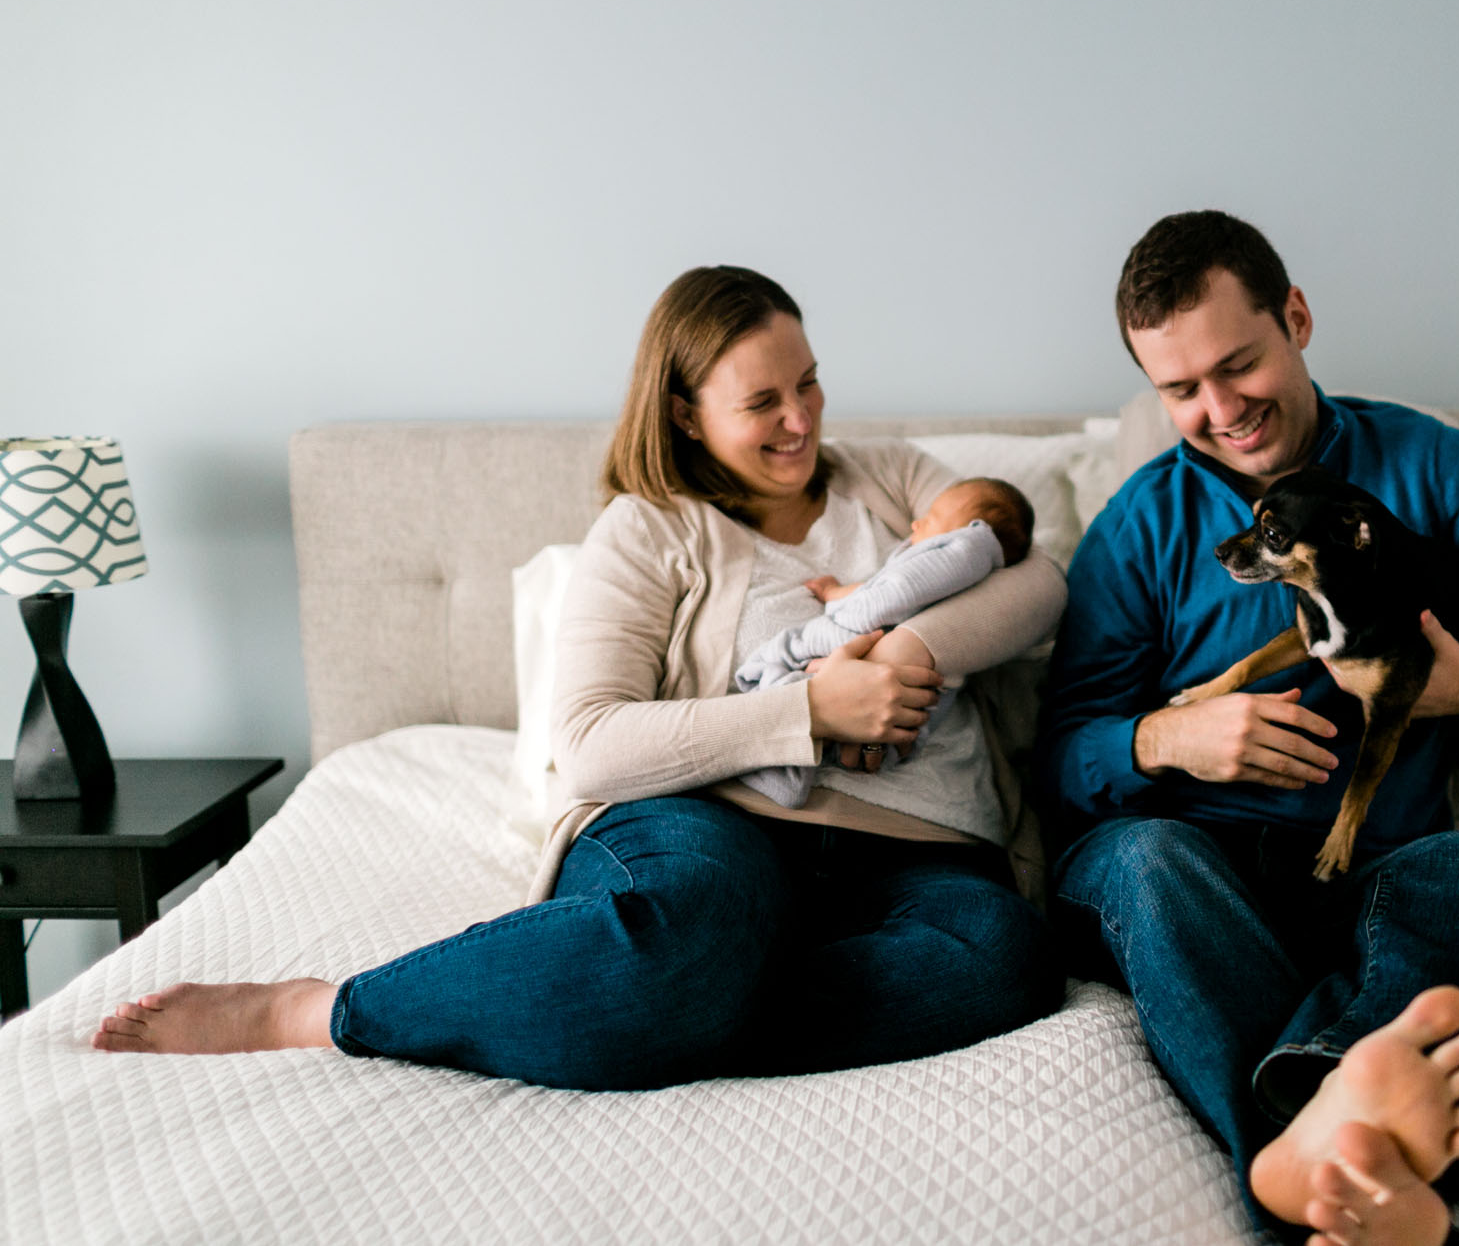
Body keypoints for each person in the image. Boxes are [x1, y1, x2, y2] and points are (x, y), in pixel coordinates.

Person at [93, 265, 1066, 1090]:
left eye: (808, 385)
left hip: (915, 854)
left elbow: (1037, 582)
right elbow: (589, 740)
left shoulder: (890, 478)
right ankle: (324, 1008)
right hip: (715, 827)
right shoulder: (650, 530)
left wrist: (908, 653)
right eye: (761, 402)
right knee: (685, 932)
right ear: (685, 413)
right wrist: (805, 711)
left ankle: (679, 1001)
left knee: (1004, 964)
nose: (800, 420)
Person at [1037, 211, 1459, 1244]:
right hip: (1196, 865)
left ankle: (1323, 1136)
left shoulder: (1433, 469)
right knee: (1141, 860)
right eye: (1178, 390)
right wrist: (1161, 740)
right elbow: (1062, 756)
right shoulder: (1139, 527)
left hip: (1376, 868)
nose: (1217, 409)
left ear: (1294, 317)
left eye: (1236, 365)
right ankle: (1356, 1170)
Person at [735, 475, 1035, 807]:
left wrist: (844, 617)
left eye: (932, 518)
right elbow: (886, 589)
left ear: (974, 529)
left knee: (790, 655)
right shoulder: (949, 566)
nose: (916, 523)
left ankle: (780, 746)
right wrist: (837, 592)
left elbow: (888, 599)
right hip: (900, 706)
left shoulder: (968, 549)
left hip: (876, 657)